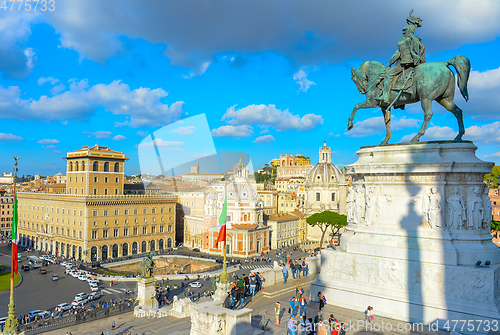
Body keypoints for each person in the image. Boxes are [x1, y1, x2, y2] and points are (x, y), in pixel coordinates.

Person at [378, 10, 426, 105]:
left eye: (404, 31)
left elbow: (398, 53)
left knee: (388, 76)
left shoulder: (404, 41)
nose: (403, 32)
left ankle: (385, 96)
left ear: (407, 31)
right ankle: (401, 103)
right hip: (415, 62)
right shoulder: (415, 40)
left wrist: (391, 61)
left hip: (404, 62)